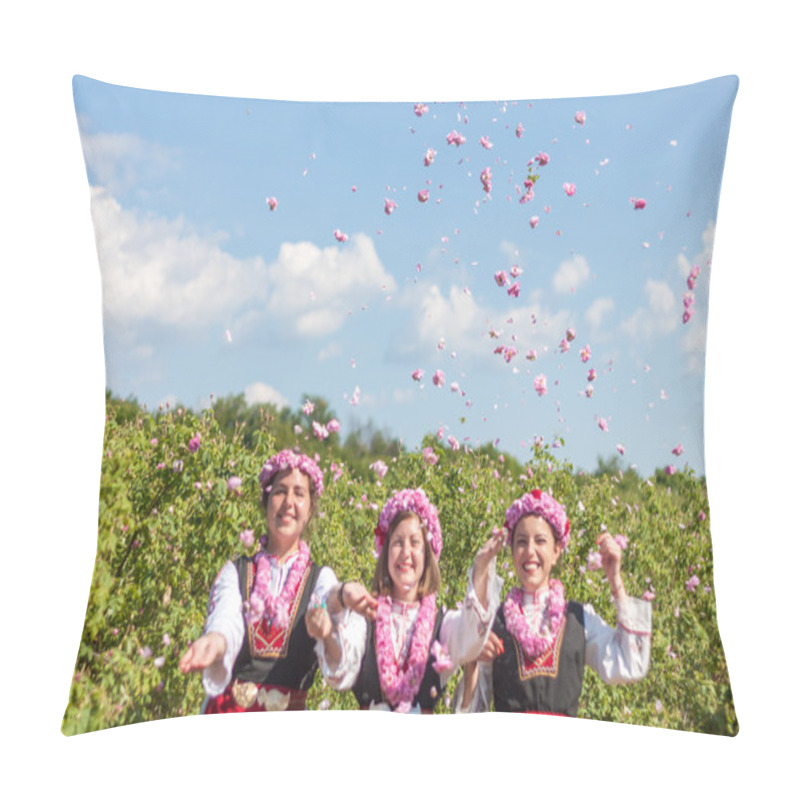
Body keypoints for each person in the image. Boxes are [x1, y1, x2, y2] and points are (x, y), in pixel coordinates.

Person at [306, 487, 504, 713]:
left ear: (427, 554)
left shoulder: (443, 625)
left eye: (415, 543)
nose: (405, 552)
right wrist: (327, 631)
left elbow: (469, 634)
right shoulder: (366, 617)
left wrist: (480, 570)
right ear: (386, 550)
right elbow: (339, 669)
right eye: (398, 542)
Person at [455, 488, 651, 716]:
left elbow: (630, 663)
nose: (530, 551)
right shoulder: (495, 624)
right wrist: (471, 661)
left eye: (540, 541)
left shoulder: (579, 619)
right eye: (521, 542)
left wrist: (616, 580)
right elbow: (470, 714)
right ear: (511, 551)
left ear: (556, 550)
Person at [178, 449, 337, 712]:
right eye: (280, 491)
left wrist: (327, 625)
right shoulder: (236, 572)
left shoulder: (320, 580)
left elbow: (332, 610)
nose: (288, 502)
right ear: (267, 501)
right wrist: (214, 642)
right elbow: (227, 621)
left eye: (299, 494)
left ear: (309, 510)